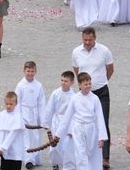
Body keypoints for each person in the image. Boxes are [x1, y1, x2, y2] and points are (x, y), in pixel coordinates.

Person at [71, 27, 114, 168]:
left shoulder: (104, 51)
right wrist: (84, 85)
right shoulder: (76, 52)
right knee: (83, 121)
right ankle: (88, 153)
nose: (87, 42)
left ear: (95, 38)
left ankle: (105, 157)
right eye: (85, 40)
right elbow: (77, 71)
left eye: (90, 40)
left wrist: (102, 81)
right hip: (84, 92)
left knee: (103, 122)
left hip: (101, 91)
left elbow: (110, 69)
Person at [54, 72, 108, 170]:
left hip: (91, 129)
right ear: (79, 85)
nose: (88, 86)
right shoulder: (75, 98)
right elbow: (67, 117)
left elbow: (100, 118)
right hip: (78, 128)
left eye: (89, 84)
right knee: (80, 154)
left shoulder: (95, 99)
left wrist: (101, 137)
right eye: (85, 84)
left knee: (94, 155)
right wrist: (58, 134)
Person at [15, 61, 47, 169]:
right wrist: (18, 117)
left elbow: (42, 103)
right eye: (28, 71)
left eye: (32, 71)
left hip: (35, 113)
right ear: (24, 71)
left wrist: (43, 120)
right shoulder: (20, 85)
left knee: (36, 137)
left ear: (35, 72)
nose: (30, 73)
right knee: (26, 137)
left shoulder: (39, 85)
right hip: (24, 113)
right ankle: (28, 160)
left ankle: (36, 158)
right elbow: (17, 102)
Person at [44, 71, 76, 169]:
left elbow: (75, 113)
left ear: (72, 82)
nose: (63, 83)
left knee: (66, 146)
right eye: (62, 80)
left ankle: (67, 165)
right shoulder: (56, 93)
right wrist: (46, 124)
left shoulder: (73, 95)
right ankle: (55, 163)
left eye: (66, 81)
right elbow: (50, 109)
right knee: (55, 146)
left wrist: (72, 129)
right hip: (56, 121)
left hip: (68, 123)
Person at [0, 91, 26, 170]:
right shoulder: (2, 114)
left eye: (11, 104)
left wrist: (2, 148)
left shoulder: (18, 116)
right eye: (7, 104)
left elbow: (13, 135)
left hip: (15, 151)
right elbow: (1, 133)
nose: (8, 106)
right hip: (4, 152)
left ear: (16, 104)